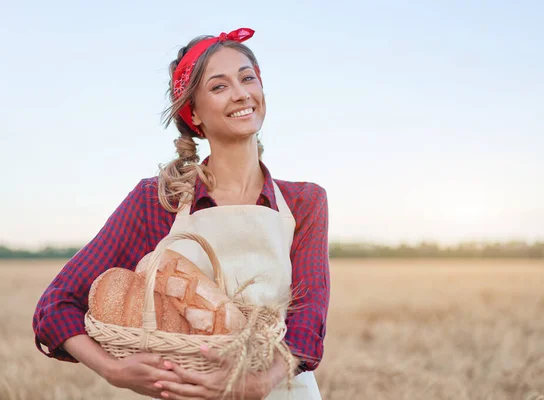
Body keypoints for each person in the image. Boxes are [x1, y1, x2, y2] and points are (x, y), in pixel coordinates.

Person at [33, 27, 330, 400]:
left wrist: (256, 383)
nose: (241, 93)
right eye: (219, 87)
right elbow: (55, 304)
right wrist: (114, 371)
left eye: (247, 78)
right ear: (194, 113)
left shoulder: (305, 201)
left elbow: (308, 323)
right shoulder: (157, 200)